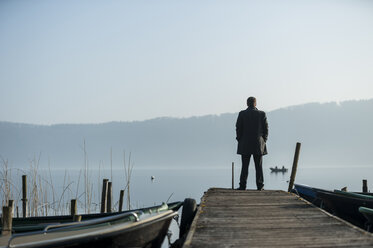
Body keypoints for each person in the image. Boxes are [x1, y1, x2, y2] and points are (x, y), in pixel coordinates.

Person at [236, 97, 268, 190]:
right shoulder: (262, 114)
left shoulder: (242, 114)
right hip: (258, 144)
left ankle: (242, 186)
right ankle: (260, 186)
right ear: (255, 103)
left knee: (244, 167)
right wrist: (264, 140)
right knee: (259, 167)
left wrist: (239, 139)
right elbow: (266, 129)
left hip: (245, 143)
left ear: (247, 103)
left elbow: (238, 128)